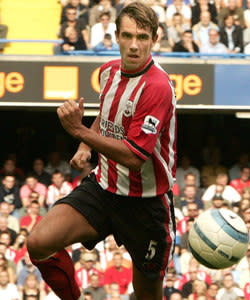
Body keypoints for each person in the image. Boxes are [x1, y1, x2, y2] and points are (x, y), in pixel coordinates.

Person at [27, 3, 177, 300]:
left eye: (143, 37)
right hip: (103, 189)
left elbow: (135, 158)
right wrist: (85, 145)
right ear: (117, 36)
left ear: (154, 40)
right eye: (127, 35)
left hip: (146, 205)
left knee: (147, 295)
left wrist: (79, 131)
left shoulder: (158, 87)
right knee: (38, 243)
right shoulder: (108, 71)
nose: (135, 45)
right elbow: (106, 115)